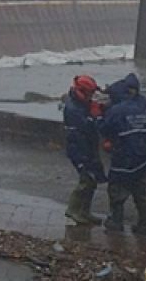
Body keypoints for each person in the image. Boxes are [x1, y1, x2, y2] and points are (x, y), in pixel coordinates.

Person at [100, 76, 146, 234]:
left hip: (123, 158)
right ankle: (143, 223)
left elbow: (105, 128)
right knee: (142, 190)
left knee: (117, 191)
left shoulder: (116, 110)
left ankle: (116, 222)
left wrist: (98, 115)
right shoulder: (142, 105)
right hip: (143, 157)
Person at [62, 74, 106, 225]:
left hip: (88, 146)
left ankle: (84, 211)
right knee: (85, 180)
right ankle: (73, 210)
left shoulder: (80, 103)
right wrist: (95, 116)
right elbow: (85, 127)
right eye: (90, 93)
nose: (92, 96)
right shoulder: (73, 109)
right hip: (79, 148)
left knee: (92, 180)